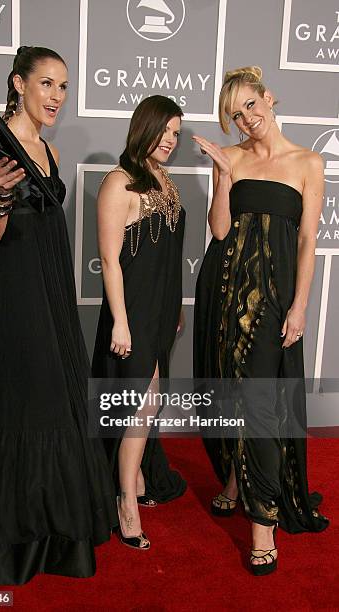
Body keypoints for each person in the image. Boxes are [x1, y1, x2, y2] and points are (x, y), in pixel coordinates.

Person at [0, 46, 117, 585]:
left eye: (64, 86)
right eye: (46, 84)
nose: (56, 96)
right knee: (29, 399)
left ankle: (58, 537)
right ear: (18, 84)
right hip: (18, 292)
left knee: (61, 399)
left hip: (54, 288)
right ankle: (15, 541)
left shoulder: (46, 149)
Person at [193, 66, 329, 575]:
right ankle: (233, 476)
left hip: (273, 300)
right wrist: (225, 177)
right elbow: (221, 230)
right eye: (235, 114)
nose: (246, 119)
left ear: (269, 98)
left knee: (261, 406)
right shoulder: (228, 159)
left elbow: (307, 241)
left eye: (251, 105)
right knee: (229, 393)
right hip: (225, 293)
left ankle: (262, 523)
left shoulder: (307, 162)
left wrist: (299, 306)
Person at [92, 95, 187, 550]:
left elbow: (166, 255)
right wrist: (120, 323)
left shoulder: (165, 181)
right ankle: (125, 500)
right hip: (131, 314)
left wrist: (176, 306)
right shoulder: (119, 182)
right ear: (143, 127)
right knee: (137, 405)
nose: (171, 140)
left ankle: (136, 481)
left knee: (149, 402)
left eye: (176, 134)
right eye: (165, 131)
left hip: (160, 311)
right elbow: (110, 261)